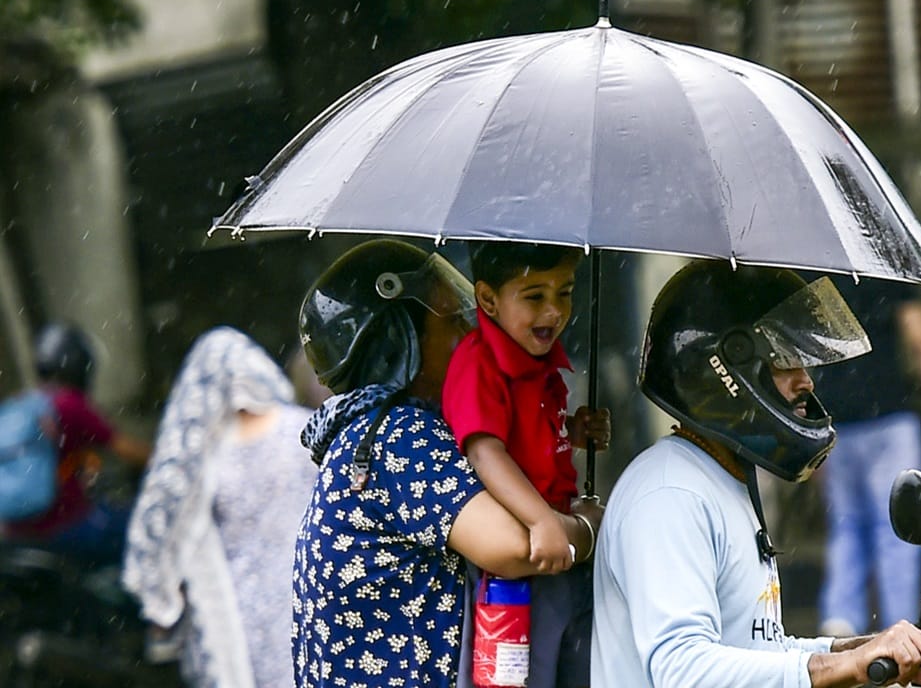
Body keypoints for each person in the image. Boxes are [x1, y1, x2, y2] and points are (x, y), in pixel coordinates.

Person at [592, 261, 921, 687]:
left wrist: (864, 650)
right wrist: (841, 666)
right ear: (729, 368)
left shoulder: (720, 479)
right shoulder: (670, 495)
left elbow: (758, 653)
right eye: (786, 359)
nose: (807, 382)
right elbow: (683, 672)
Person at [291, 240, 600, 688]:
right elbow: (514, 548)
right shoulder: (397, 436)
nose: (466, 335)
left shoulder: (361, 435)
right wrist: (587, 529)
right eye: (451, 320)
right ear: (400, 340)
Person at [442, 242, 609, 688]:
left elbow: (527, 437)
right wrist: (540, 520)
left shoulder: (542, 365)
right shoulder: (480, 360)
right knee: (522, 677)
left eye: (566, 292)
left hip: (556, 549)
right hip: (515, 570)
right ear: (489, 299)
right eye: (535, 296)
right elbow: (484, 451)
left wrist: (573, 431)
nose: (554, 311)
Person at [122, 327, 317, 688]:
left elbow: (181, 527)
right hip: (308, 587)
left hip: (241, 606)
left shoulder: (207, 458)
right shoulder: (302, 430)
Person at [812, 276, 921, 638]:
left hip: (836, 422)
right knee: (894, 526)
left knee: (846, 524)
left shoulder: (812, 268)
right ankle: (899, 624)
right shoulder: (881, 267)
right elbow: (920, 337)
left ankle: (840, 619)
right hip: (889, 415)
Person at [3, 322, 150, 565]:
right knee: (141, 525)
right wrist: (165, 458)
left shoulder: (23, 403)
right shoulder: (70, 404)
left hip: (19, 532)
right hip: (67, 526)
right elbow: (124, 449)